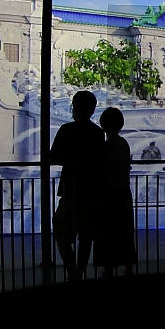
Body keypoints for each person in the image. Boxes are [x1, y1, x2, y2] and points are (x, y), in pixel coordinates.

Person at [50, 90, 105, 280]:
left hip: (70, 189)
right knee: (86, 235)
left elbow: (53, 157)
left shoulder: (66, 130)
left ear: (74, 107)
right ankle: (79, 272)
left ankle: (72, 271)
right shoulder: (98, 133)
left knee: (62, 233)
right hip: (91, 190)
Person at [94, 107, 136, 277]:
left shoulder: (106, 146)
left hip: (108, 193)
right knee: (124, 231)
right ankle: (127, 265)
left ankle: (109, 267)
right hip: (123, 191)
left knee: (108, 232)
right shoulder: (123, 143)